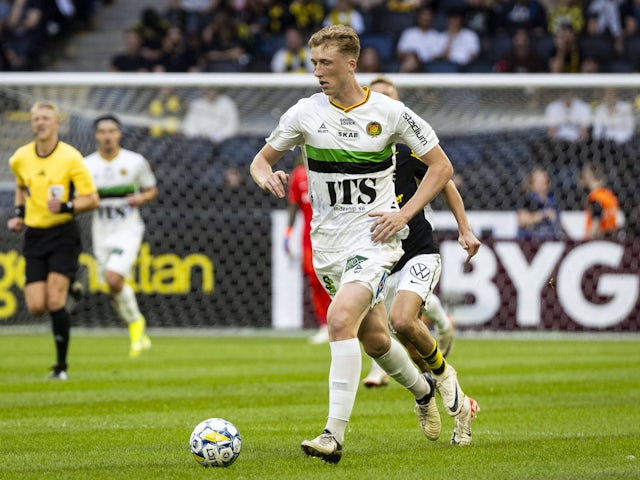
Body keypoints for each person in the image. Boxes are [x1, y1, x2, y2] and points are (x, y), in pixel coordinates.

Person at [250, 25, 457, 463]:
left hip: (375, 238)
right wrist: (267, 176)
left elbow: (441, 168)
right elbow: (260, 160)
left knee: (340, 320)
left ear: (351, 63)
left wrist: (404, 213)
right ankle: (424, 391)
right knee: (377, 340)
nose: (317, 72)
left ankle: (332, 436)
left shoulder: (391, 112)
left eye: (325, 63)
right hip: (326, 245)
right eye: (314, 64)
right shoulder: (304, 113)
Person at [360, 76, 481, 447]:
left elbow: (444, 181)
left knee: (402, 318)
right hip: (379, 263)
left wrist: (465, 229)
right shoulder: (354, 152)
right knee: (401, 344)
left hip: (417, 251)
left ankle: (446, 382)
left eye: (388, 98)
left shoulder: (410, 148)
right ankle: (450, 397)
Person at [7, 100, 99, 380]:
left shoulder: (71, 157)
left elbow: (92, 199)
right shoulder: (20, 158)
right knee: (36, 306)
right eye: (36, 119)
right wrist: (19, 214)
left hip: (62, 234)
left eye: (46, 118)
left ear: (56, 123)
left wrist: (68, 206)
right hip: (34, 235)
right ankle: (71, 283)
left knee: (55, 302)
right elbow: (22, 187)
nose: (40, 123)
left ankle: (61, 368)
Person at [84, 114, 157, 358]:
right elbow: (81, 197)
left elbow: (151, 189)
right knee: (111, 285)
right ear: (96, 135)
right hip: (101, 230)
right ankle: (136, 326)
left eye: (111, 131)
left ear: (119, 134)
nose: (107, 136)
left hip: (128, 229)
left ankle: (136, 324)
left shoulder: (134, 162)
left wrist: (141, 198)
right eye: (102, 131)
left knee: (114, 279)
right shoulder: (86, 165)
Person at [284, 159, 332, 344]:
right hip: (309, 240)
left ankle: (346, 323)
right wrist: (287, 234)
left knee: (339, 281)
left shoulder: (331, 168)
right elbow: (293, 205)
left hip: (335, 236)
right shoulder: (298, 175)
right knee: (316, 282)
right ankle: (324, 325)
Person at [516, 166, 566, 240]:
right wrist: (543, 214)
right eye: (538, 182)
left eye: (544, 182)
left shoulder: (552, 200)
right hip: (530, 242)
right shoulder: (527, 199)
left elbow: (559, 223)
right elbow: (522, 220)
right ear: (532, 183)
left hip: (550, 240)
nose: (542, 185)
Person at [579, 162, 621, 240]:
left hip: (598, 239)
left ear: (589, 176)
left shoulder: (595, 196)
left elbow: (596, 220)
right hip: (612, 237)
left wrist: (585, 240)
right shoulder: (609, 195)